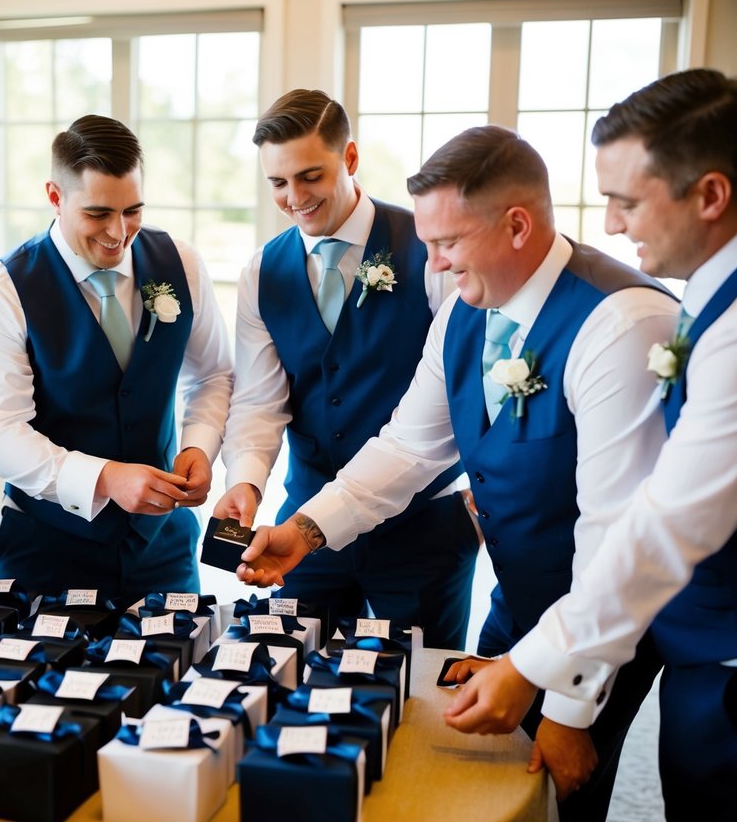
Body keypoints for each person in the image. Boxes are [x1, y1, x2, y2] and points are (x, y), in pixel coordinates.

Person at [236, 125, 677, 819]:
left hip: (607, 628)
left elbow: (615, 537)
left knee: (556, 797)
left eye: (447, 243)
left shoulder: (622, 324)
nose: (433, 264)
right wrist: (305, 530)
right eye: (428, 243)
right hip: (521, 600)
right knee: (469, 778)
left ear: (517, 226)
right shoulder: (462, 315)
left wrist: (566, 708)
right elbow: (409, 448)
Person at [443, 68, 737, 820]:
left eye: (628, 202)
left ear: (709, 195)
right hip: (693, 646)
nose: (609, 224)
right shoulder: (709, 300)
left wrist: (534, 668)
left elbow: (663, 521)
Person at [213, 89, 478, 649]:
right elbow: (260, 401)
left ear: (350, 158)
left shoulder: (429, 252)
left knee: (420, 683)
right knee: (283, 667)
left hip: (421, 528)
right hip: (305, 520)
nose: (294, 198)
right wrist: (245, 479)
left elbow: (463, 391)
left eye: (310, 176)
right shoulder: (261, 272)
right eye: (278, 182)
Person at [0, 114, 233, 599]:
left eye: (132, 210)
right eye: (98, 213)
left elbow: (212, 374)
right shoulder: (1, 290)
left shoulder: (182, 263)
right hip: (48, 549)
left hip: (163, 547)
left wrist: (198, 446)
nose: (118, 231)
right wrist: (104, 478)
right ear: (55, 196)